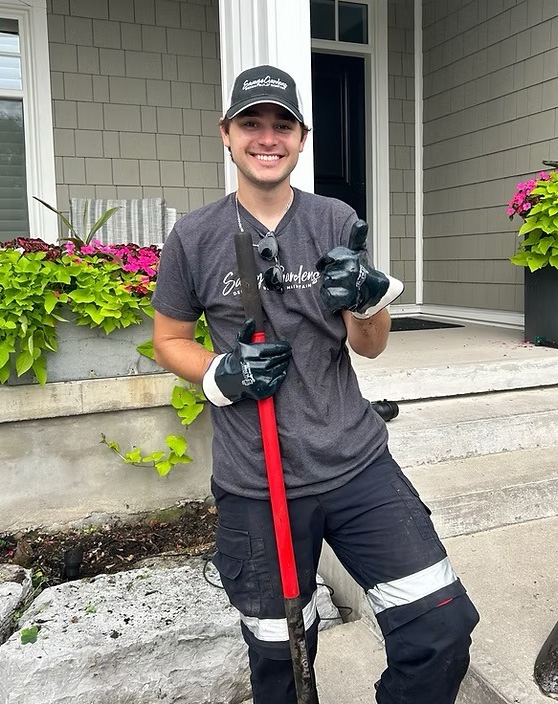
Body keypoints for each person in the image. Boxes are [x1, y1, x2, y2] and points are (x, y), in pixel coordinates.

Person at [151, 64, 479, 704]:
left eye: (282, 125)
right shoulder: (196, 235)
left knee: (441, 628)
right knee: (282, 664)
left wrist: (364, 302)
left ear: (302, 139)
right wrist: (223, 372)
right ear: (227, 135)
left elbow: (372, 346)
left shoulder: (333, 219)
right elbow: (169, 340)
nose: (266, 137)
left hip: (357, 466)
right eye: (252, 123)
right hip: (256, 484)